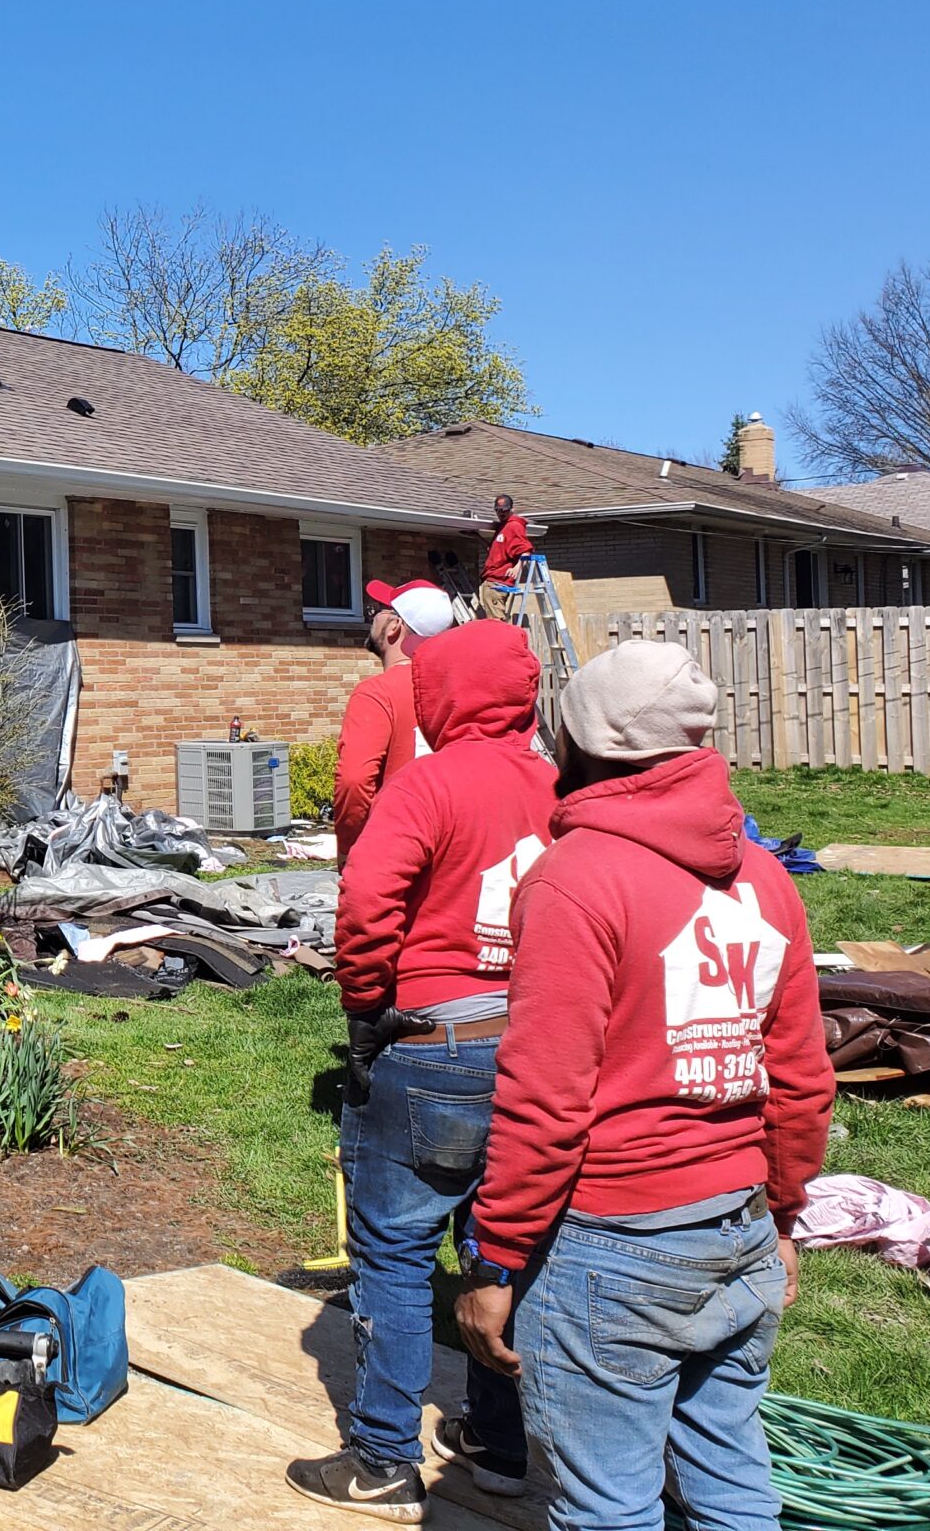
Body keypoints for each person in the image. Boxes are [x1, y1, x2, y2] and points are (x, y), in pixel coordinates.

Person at [455, 641, 834, 1531]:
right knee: (732, 1480)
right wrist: (779, 1215)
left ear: (581, 743)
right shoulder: (765, 879)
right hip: (735, 1224)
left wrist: (496, 1259)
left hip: (614, 1241)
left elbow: (545, 1096)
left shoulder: (576, 880)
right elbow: (803, 1078)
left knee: (606, 1506)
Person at [286, 619, 556, 1523]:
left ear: (437, 698)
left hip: (436, 1040)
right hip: (536, 1044)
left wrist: (365, 1010)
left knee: (396, 1254)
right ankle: (500, 1443)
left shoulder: (430, 783)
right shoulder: (565, 787)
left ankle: (380, 1459)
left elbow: (367, 905)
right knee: (502, 1246)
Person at [334, 579, 458, 859]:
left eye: (381, 609)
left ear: (394, 627)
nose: (373, 616)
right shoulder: (456, 690)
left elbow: (354, 781)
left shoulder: (377, 694)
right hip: (449, 847)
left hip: (394, 850)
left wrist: (350, 849)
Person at [477, 495, 531, 620]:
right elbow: (495, 551)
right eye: (498, 510)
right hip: (492, 580)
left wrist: (517, 568)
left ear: (512, 509)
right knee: (491, 620)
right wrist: (477, 537)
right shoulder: (503, 526)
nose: (501, 513)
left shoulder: (514, 526)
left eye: (504, 510)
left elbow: (526, 550)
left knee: (496, 622)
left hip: (498, 582)